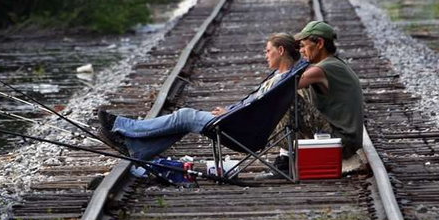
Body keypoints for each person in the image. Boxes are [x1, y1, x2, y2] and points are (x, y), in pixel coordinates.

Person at [98, 33, 302, 162]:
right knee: (184, 122)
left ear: (281, 50)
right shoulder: (282, 77)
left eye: (268, 51)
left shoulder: (282, 80)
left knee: (185, 116)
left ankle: (122, 126)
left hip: (241, 130)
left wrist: (231, 113)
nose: (266, 55)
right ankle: (138, 150)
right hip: (239, 124)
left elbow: (258, 109)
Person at [295, 20, 365, 160]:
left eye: (303, 46)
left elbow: (283, 86)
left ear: (320, 44)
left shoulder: (322, 69)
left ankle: (285, 160)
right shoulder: (333, 63)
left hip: (341, 143)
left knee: (287, 100)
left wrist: (284, 61)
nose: (301, 51)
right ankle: (288, 155)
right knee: (298, 93)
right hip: (342, 139)